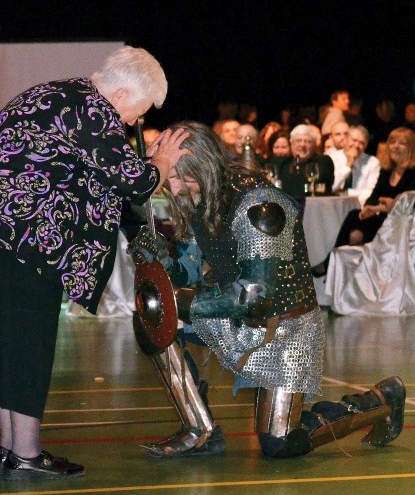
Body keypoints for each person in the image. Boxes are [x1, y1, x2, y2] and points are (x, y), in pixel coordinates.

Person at [0, 46, 178, 480]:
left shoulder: (56, 94)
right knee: (26, 342)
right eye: (138, 111)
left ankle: (10, 448)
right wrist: (161, 164)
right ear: (120, 93)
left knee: (7, 345)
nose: (134, 123)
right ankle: (25, 452)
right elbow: (131, 181)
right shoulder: (91, 109)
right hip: (11, 238)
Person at [131, 121, 405, 458]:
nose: (172, 189)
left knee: (281, 444)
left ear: (201, 165)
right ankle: (199, 429)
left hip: (282, 327)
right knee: (153, 318)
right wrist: (160, 257)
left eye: (177, 177)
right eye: (168, 178)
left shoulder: (260, 207)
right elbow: (189, 268)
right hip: (232, 315)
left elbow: (253, 297)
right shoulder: (200, 194)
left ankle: (379, 401)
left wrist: (180, 301)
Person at [333, 127, 415, 248]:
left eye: (402, 143)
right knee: (355, 220)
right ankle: (337, 259)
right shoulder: (386, 172)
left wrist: (380, 208)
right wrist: (378, 207)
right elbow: (372, 199)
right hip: (382, 221)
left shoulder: (413, 173)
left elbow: (408, 206)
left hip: (403, 225)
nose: (396, 146)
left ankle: (331, 261)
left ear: (411, 148)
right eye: (392, 142)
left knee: (355, 224)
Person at [276, 124, 334, 198]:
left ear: (314, 145)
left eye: (308, 141)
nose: (303, 145)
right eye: (298, 141)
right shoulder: (284, 164)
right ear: (291, 144)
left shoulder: (322, 162)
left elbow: (318, 185)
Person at [327, 125, 380, 204]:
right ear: (345, 140)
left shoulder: (372, 162)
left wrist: (347, 193)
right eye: (354, 140)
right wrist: (348, 165)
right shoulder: (332, 158)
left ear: (366, 146)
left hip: (359, 208)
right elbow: (331, 187)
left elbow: (371, 192)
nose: (357, 145)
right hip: (333, 206)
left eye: (361, 143)